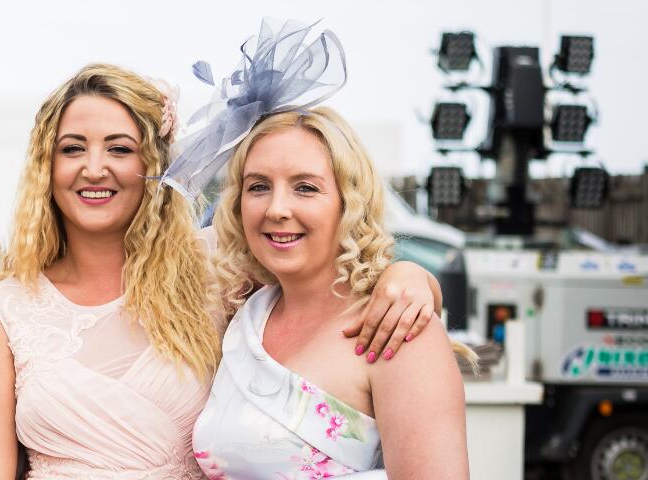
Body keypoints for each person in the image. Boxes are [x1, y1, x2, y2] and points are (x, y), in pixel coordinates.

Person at [0, 62, 444, 478]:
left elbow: (319, 272)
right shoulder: (7, 308)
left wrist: (409, 278)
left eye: (120, 149)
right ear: (47, 165)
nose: (95, 168)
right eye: (73, 148)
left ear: (155, 164)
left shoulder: (218, 270)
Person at [192, 107, 469, 478]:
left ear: (349, 202)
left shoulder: (397, 330)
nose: (277, 208)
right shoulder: (241, 311)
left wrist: (416, 277)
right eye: (258, 186)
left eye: (305, 187)